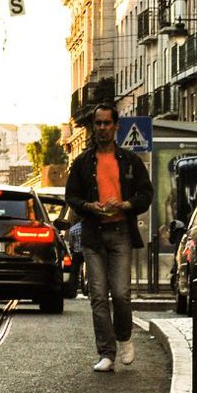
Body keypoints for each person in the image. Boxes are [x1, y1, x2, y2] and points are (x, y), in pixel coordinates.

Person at [66, 104, 152, 372]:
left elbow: (145, 194)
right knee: (99, 296)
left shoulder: (130, 161)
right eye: (98, 123)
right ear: (93, 127)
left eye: (107, 123)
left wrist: (126, 204)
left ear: (116, 126)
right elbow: (71, 196)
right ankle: (106, 353)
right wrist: (89, 206)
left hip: (120, 232)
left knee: (122, 294)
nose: (102, 128)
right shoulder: (82, 162)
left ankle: (124, 337)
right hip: (93, 235)